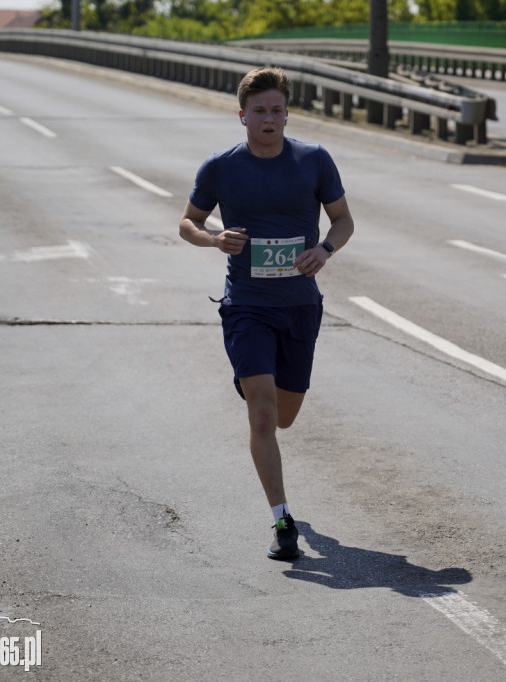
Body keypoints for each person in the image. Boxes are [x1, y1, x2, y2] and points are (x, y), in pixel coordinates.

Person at [178, 67, 354, 561]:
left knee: (286, 416)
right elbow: (186, 223)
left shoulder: (314, 160)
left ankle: (259, 382)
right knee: (262, 414)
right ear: (243, 117)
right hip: (247, 306)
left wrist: (325, 249)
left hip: (300, 305)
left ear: (286, 113)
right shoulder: (221, 167)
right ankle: (282, 520)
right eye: (259, 111)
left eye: (277, 110)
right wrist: (214, 238)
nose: (269, 118)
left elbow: (343, 220)